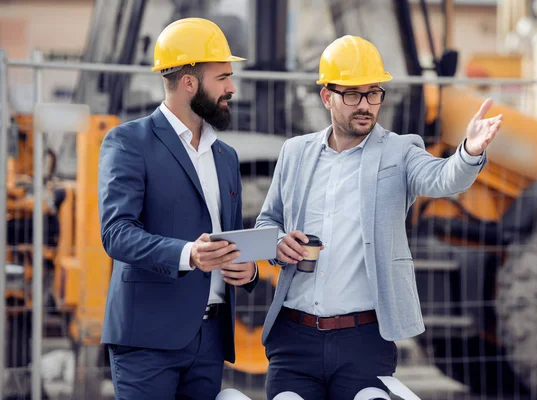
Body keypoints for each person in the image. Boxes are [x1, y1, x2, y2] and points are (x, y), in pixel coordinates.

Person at [255, 35, 503, 400]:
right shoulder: (295, 153)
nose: (366, 105)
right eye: (353, 94)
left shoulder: (400, 151)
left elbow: (442, 178)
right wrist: (277, 243)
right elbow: (267, 221)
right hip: (295, 339)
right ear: (327, 96)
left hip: (363, 340)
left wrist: (468, 151)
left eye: (373, 93)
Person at [98, 18, 259, 399]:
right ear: (190, 82)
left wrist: (248, 268)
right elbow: (116, 233)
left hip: (210, 340)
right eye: (222, 77)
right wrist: (189, 254)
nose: (232, 88)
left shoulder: (226, 156)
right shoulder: (128, 142)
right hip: (148, 341)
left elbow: (231, 237)